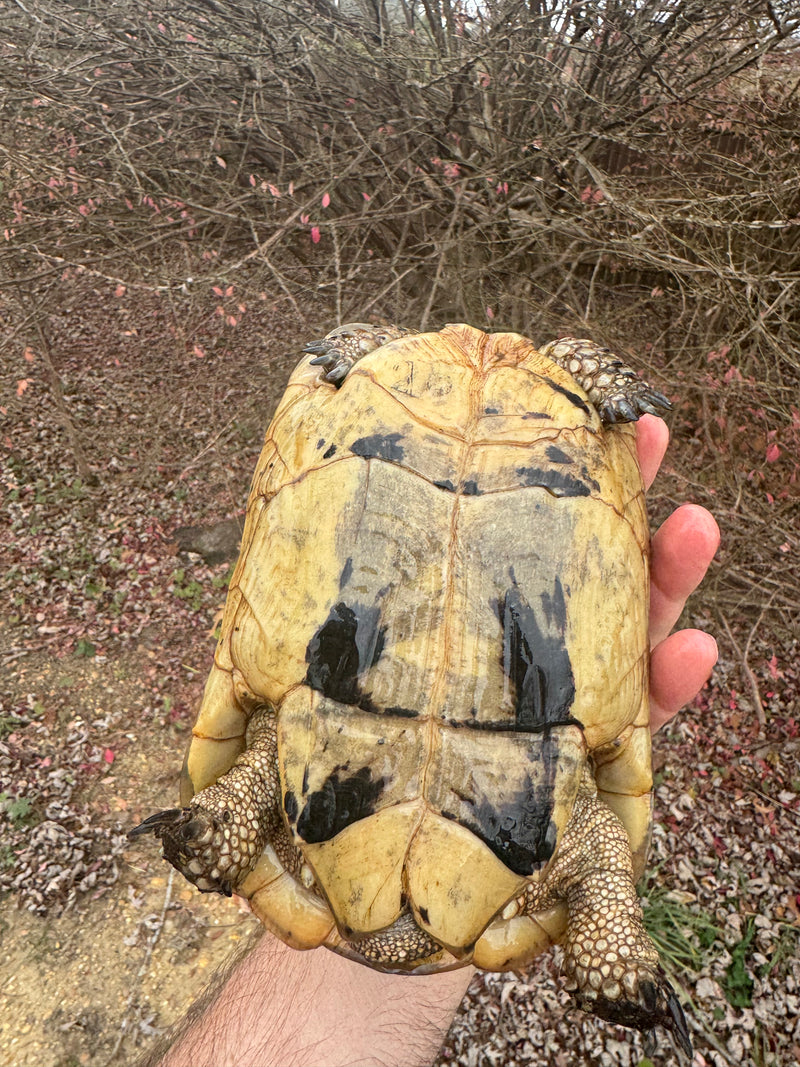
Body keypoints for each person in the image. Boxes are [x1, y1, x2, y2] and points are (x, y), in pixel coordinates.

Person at [149, 415, 720, 1067]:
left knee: (261, 770)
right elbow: (598, 841)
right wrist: (607, 938)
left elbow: (265, 715)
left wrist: (219, 823)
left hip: (381, 426)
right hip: (543, 479)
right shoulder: (567, 833)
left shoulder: (281, 767)